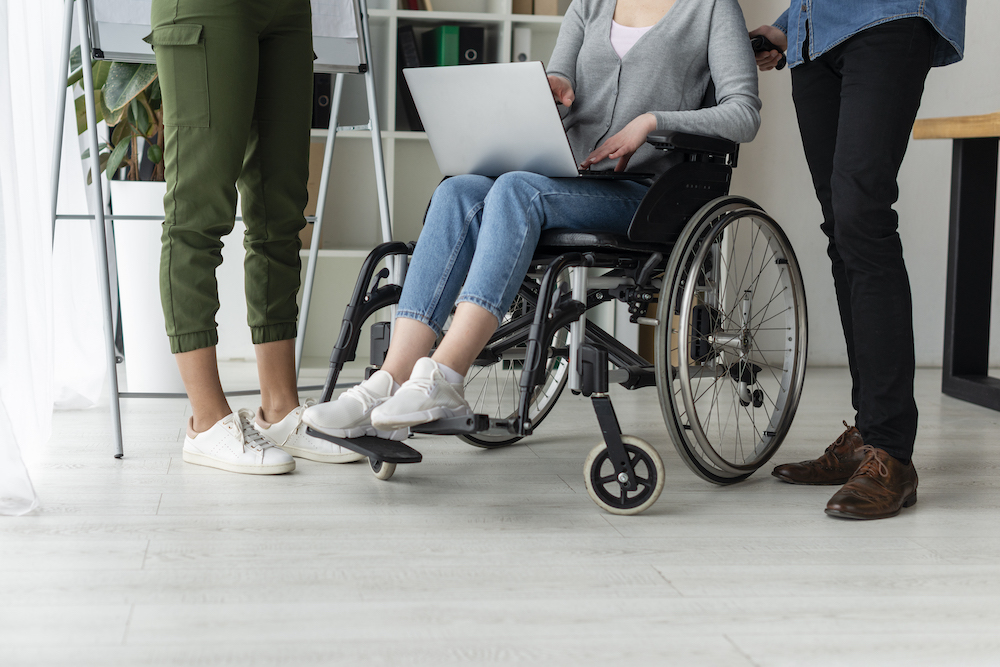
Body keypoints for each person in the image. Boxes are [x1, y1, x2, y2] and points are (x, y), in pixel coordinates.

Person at [303, 0, 761, 441]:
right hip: (569, 177)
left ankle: (445, 377)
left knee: (516, 190)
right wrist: (549, 89)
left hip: (647, 193)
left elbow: (743, 114)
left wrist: (650, 121)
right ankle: (389, 381)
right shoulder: (590, 4)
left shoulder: (711, 7)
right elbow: (561, 78)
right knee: (457, 190)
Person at [751, 2, 967, 519]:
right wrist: (786, 25)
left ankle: (892, 453)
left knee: (862, 219)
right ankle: (869, 433)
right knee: (842, 231)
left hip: (888, 15)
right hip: (812, 35)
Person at [146, 0, 363, 474]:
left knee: (281, 214)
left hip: (287, 9)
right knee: (198, 212)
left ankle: (280, 410)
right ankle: (206, 421)